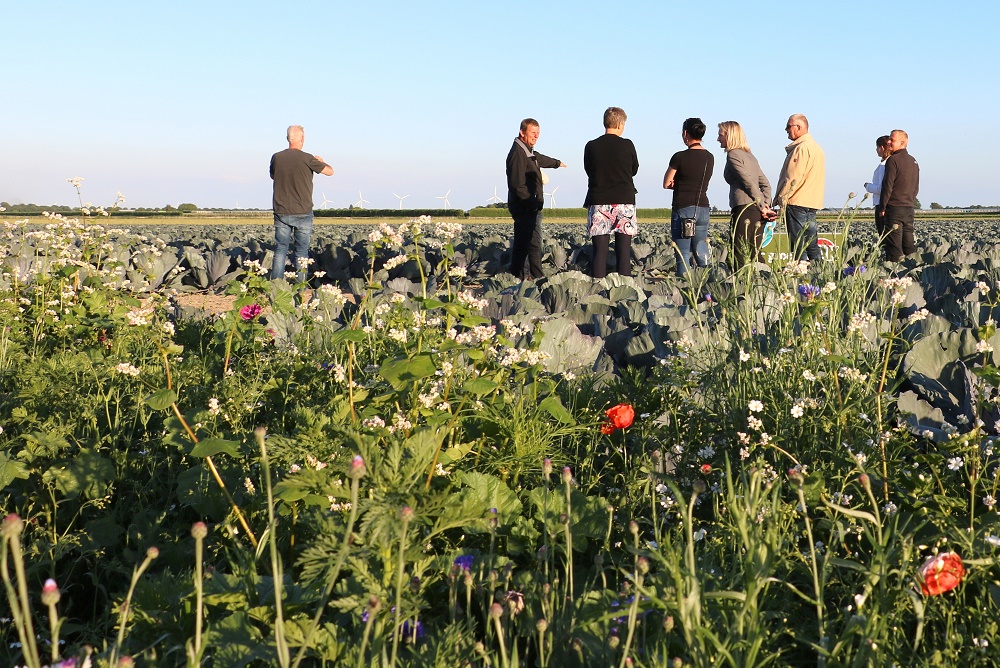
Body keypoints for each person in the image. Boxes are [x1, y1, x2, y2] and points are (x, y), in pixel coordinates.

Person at [269, 125, 334, 282]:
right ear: (302, 139)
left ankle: (276, 286)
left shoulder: (276, 157)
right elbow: (330, 171)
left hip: (281, 210)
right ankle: (301, 287)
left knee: (280, 250)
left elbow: (273, 175)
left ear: (287, 138)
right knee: (301, 252)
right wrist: (322, 162)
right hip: (303, 211)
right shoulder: (308, 158)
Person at [505, 118, 567, 280]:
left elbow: (539, 158)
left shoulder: (527, 150)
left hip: (529, 206)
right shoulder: (517, 153)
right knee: (528, 244)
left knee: (529, 243)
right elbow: (517, 184)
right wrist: (531, 203)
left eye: (538, 134)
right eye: (533, 133)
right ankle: (526, 277)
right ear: (522, 132)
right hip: (524, 207)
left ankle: (529, 275)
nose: (536, 136)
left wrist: (556, 163)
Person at [583, 107, 639, 278]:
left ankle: (597, 287)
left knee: (599, 251)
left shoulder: (591, 146)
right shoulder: (627, 144)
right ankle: (625, 289)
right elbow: (634, 169)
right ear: (621, 124)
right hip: (624, 201)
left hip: (599, 200)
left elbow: (588, 169)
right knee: (623, 250)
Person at [717, 121, 773, 269]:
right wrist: (766, 204)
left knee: (740, 252)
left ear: (729, 136)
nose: (718, 139)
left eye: (720, 135)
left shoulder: (733, 154)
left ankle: (742, 285)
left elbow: (747, 182)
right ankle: (764, 280)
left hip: (744, 208)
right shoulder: (750, 156)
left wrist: (762, 205)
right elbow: (765, 184)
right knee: (754, 250)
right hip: (756, 211)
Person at [664, 118, 714, 276]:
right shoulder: (709, 157)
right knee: (701, 250)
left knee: (683, 253)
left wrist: (677, 182)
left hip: (683, 209)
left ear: (685, 133)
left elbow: (666, 183)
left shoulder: (679, 157)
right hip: (703, 208)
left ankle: (685, 291)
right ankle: (708, 290)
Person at [772, 114, 825, 262]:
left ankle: (800, 276)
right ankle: (819, 274)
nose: (786, 129)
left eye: (789, 126)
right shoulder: (816, 148)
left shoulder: (801, 149)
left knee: (798, 245)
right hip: (811, 203)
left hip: (797, 202)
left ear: (799, 127)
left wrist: (781, 199)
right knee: (812, 245)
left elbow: (793, 178)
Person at [878, 129, 919, 262]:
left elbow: (887, 186)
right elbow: (915, 187)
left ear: (902, 142)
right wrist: (910, 201)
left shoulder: (893, 160)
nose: (889, 142)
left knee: (894, 247)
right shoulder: (913, 161)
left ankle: (894, 275)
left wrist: (883, 207)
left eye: (892, 140)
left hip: (894, 208)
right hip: (908, 208)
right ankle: (913, 273)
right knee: (908, 245)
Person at [864, 135, 892, 254]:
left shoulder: (884, 166)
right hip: (885, 203)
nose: (876, 150)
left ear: (881, 147)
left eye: (877, 147)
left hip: (881, 204)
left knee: (883, 234)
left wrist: (868, 186)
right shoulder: (889, 163)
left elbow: (881, 188)